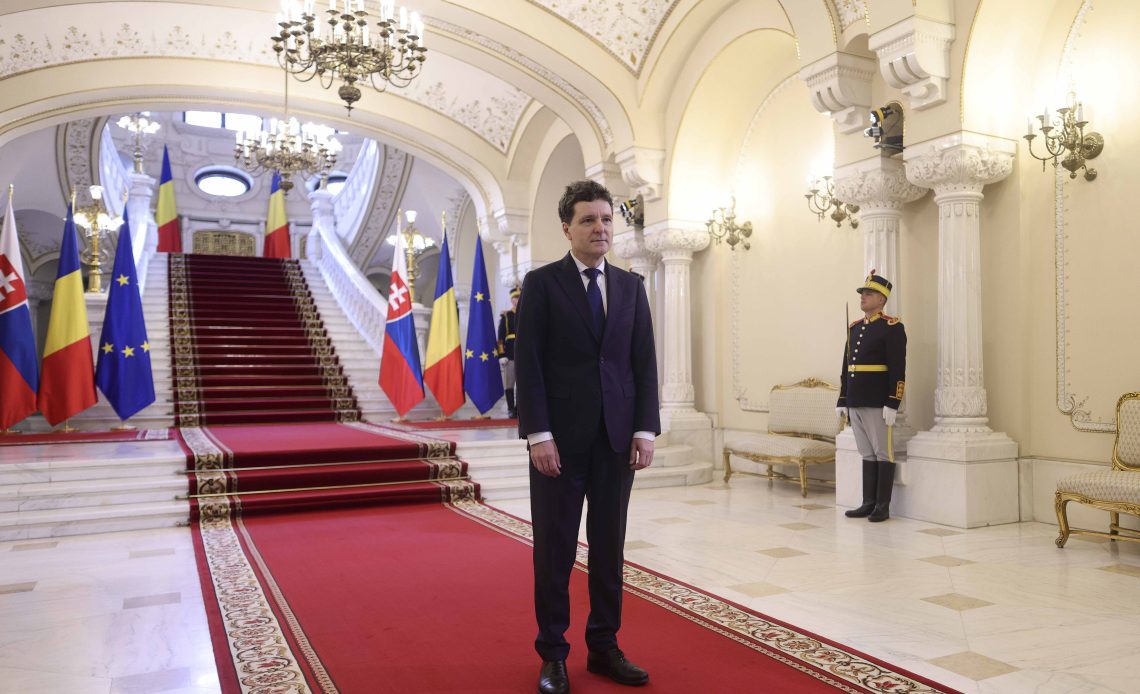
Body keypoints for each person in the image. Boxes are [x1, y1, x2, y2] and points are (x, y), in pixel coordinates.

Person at [515, 180, 660, 694]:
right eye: (589, 220)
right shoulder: (541, 284)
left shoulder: (630, 286)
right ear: (567, 228)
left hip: (616, 440)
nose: (601, 228)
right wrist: (538, 434)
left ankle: (603, 646)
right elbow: (529, 365)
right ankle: (553, 653)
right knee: (554, 549)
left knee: (609, 546)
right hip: (558, 442)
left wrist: (644, 428)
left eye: (606, 219)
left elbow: (643, 361)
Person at [837, 270, 907, 523]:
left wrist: (893, 401)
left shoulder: (892, 328)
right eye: (862, 293)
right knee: (866, 452)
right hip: (856, 400)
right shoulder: (854, 328)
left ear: (882, 299)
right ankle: (867, 503)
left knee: (882, 452)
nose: (863, 297)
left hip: (878, 400)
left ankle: (882, 506)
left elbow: (897, 368)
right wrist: (843, 399)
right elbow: (846, 367)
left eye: (869, 293)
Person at [497, 286, 521, 418]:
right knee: (509, 383)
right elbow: (500, 337)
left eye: (519, 297)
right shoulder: (506, 316)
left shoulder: (526, 314)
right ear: (512, 300)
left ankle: (519, 409)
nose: (517, 300)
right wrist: (501, 354)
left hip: (524, 354)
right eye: (515, 298)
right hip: (510, 353)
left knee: (522, 384)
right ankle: (511, 409)